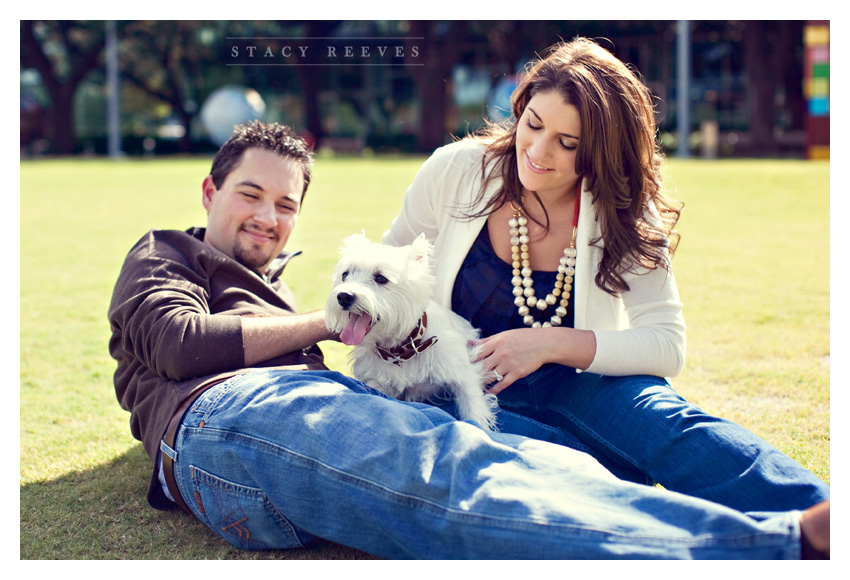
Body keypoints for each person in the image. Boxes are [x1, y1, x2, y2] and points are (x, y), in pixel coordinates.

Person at [108, 120, 829, 559]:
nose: (268, 218)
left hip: (322, 414)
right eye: (249, 196)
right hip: (227, 421)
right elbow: (177, 343)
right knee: (449, 471)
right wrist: (336, 322)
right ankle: (779, 547)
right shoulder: (166, 252)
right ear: (209, 192)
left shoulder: (278, 282)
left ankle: (791, 517)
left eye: (286, 205)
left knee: (519, 456)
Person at [383, 37, 830, 529]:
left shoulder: (622, 204)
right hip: (465, 390)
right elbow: (388, 275)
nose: (536, 150)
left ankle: (825, 518)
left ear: (599, 151)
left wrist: (547, 344)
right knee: (577, 470)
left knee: (668, 426)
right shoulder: (455, 171)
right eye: (532, 124)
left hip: (583, 384)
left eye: (566, 144)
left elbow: (665, 344)